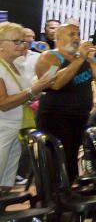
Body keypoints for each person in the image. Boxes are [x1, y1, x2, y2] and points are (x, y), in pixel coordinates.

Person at [34, 23, 96, 183]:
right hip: (55, 116)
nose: (76, 38)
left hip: (79, 116)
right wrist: (79, 59)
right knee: (56, 161)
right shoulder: (49, 57)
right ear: (58, 37)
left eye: (78, 34)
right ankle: (51, 198)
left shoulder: (85, 57)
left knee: (71, 160)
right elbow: (55, 83)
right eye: (71, 34)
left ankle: (67, 194)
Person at [0, 23, 55, 189]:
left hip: (16, 130)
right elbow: (3, 103)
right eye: (16, 41)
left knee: (6, 182)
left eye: (23, 41)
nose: (22, 45)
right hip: (3, 129)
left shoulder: (16, 66)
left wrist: (36, 91)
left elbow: (23, 97)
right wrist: (33, 91)